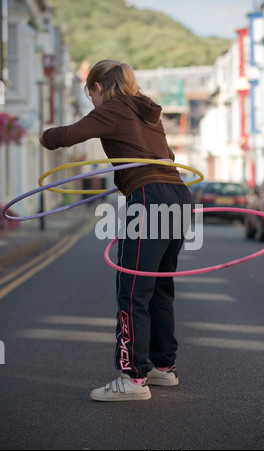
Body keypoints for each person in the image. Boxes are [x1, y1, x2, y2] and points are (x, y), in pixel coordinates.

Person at [40, 59, 192, 401]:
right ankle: (162, 368)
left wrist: (43, 135)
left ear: (98, 88)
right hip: (178, 195)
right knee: (160, 286)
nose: (93, 102)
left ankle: (132, 378)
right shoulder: (148, 112)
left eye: (90, 94)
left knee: (133, 288)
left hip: (149, 196)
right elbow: (165, 156)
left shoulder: (112, 107)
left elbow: (67, 136)